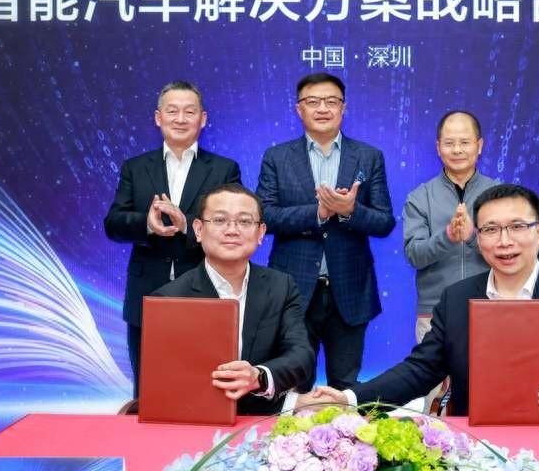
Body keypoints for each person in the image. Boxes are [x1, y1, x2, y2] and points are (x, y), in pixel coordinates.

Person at [312, 184, 539, 422]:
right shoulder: (456, 298)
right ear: (478, 237)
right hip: (476, 445)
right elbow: (420, 370)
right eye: (491, 229)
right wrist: (349, 399)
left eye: (517, 227)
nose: (504, 241)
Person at [256, 73, 396, 391]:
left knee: (345, 387)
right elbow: (265, 217)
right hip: (293, 289)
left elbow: (384, 221)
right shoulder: (277, 157)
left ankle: (343, 427)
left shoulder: (368, 156)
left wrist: (349, 211)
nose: (323, 108)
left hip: (350, 289)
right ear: (299, 109)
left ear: (343, 108)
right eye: (313, 101)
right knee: (294, 386)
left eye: (332, 101)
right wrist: (318, 213)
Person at [103, 81, 241, 395]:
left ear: (202, 119)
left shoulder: (224, 169)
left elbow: (233, 225)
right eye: (172, 111)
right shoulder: (135, 168)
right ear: (158, 118)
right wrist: (147, 224)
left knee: (206, 387)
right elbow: (113, 224)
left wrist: (187, 224)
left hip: (205, 291)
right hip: (146, 293)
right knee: (148, 390)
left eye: (189, 112)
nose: (180, 119)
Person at [152, 183, 314, 414]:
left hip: (264, 418)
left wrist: (259, 376)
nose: (232, 230)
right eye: (220, 220)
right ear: (198, 230)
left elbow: (301, 355)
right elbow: (165, 382)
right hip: (195, 419)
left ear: (261, 233)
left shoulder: (282, 286)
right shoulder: (169, 299)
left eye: (244, 222)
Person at [403, 111, 499, 343]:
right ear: (438, 148)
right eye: (449, 143)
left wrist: (472, 236)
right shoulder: (420, 197)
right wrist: (447, 237)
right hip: (435, 313)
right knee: (434, 369)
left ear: (479, 146)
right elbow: (415, 255)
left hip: (491, 306)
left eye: (465, 142)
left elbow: (511, 251)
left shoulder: (499, 194)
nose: (457, 150)